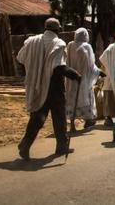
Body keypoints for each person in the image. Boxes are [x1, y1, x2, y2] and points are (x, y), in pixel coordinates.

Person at [16, 18, 81, 160]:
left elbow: (20, 59)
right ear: (58, 30)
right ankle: (61, 146)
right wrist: (74, 74)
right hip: (54, 87)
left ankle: (25, 145)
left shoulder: (31, 41)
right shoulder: (58, 43)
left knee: (37, 117)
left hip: (37, 85)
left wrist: (31, 75)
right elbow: (58, 68)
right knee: (59, 117)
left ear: (45, 28)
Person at [65, 28, 104, 132]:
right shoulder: (87, 46)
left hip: (70, 78)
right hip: (83, 79)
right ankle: (88, 121)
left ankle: (72, 125)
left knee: (72, 100)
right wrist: (99, 72)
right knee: (86, 98)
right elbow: (91, 65)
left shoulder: (70, 45)